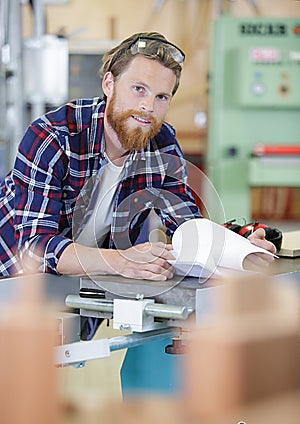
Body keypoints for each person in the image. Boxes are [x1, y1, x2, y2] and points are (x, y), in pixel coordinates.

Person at [0, 32, 276, 280]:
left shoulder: (161, 142)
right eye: (138, 89)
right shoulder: (54, 136)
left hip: (79, 285)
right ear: (109, 83)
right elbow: (35, 248)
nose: (148, 107)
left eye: (161, 97)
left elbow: (187, 225)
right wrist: (121, 261)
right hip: (11, 277)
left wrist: (239, 247)